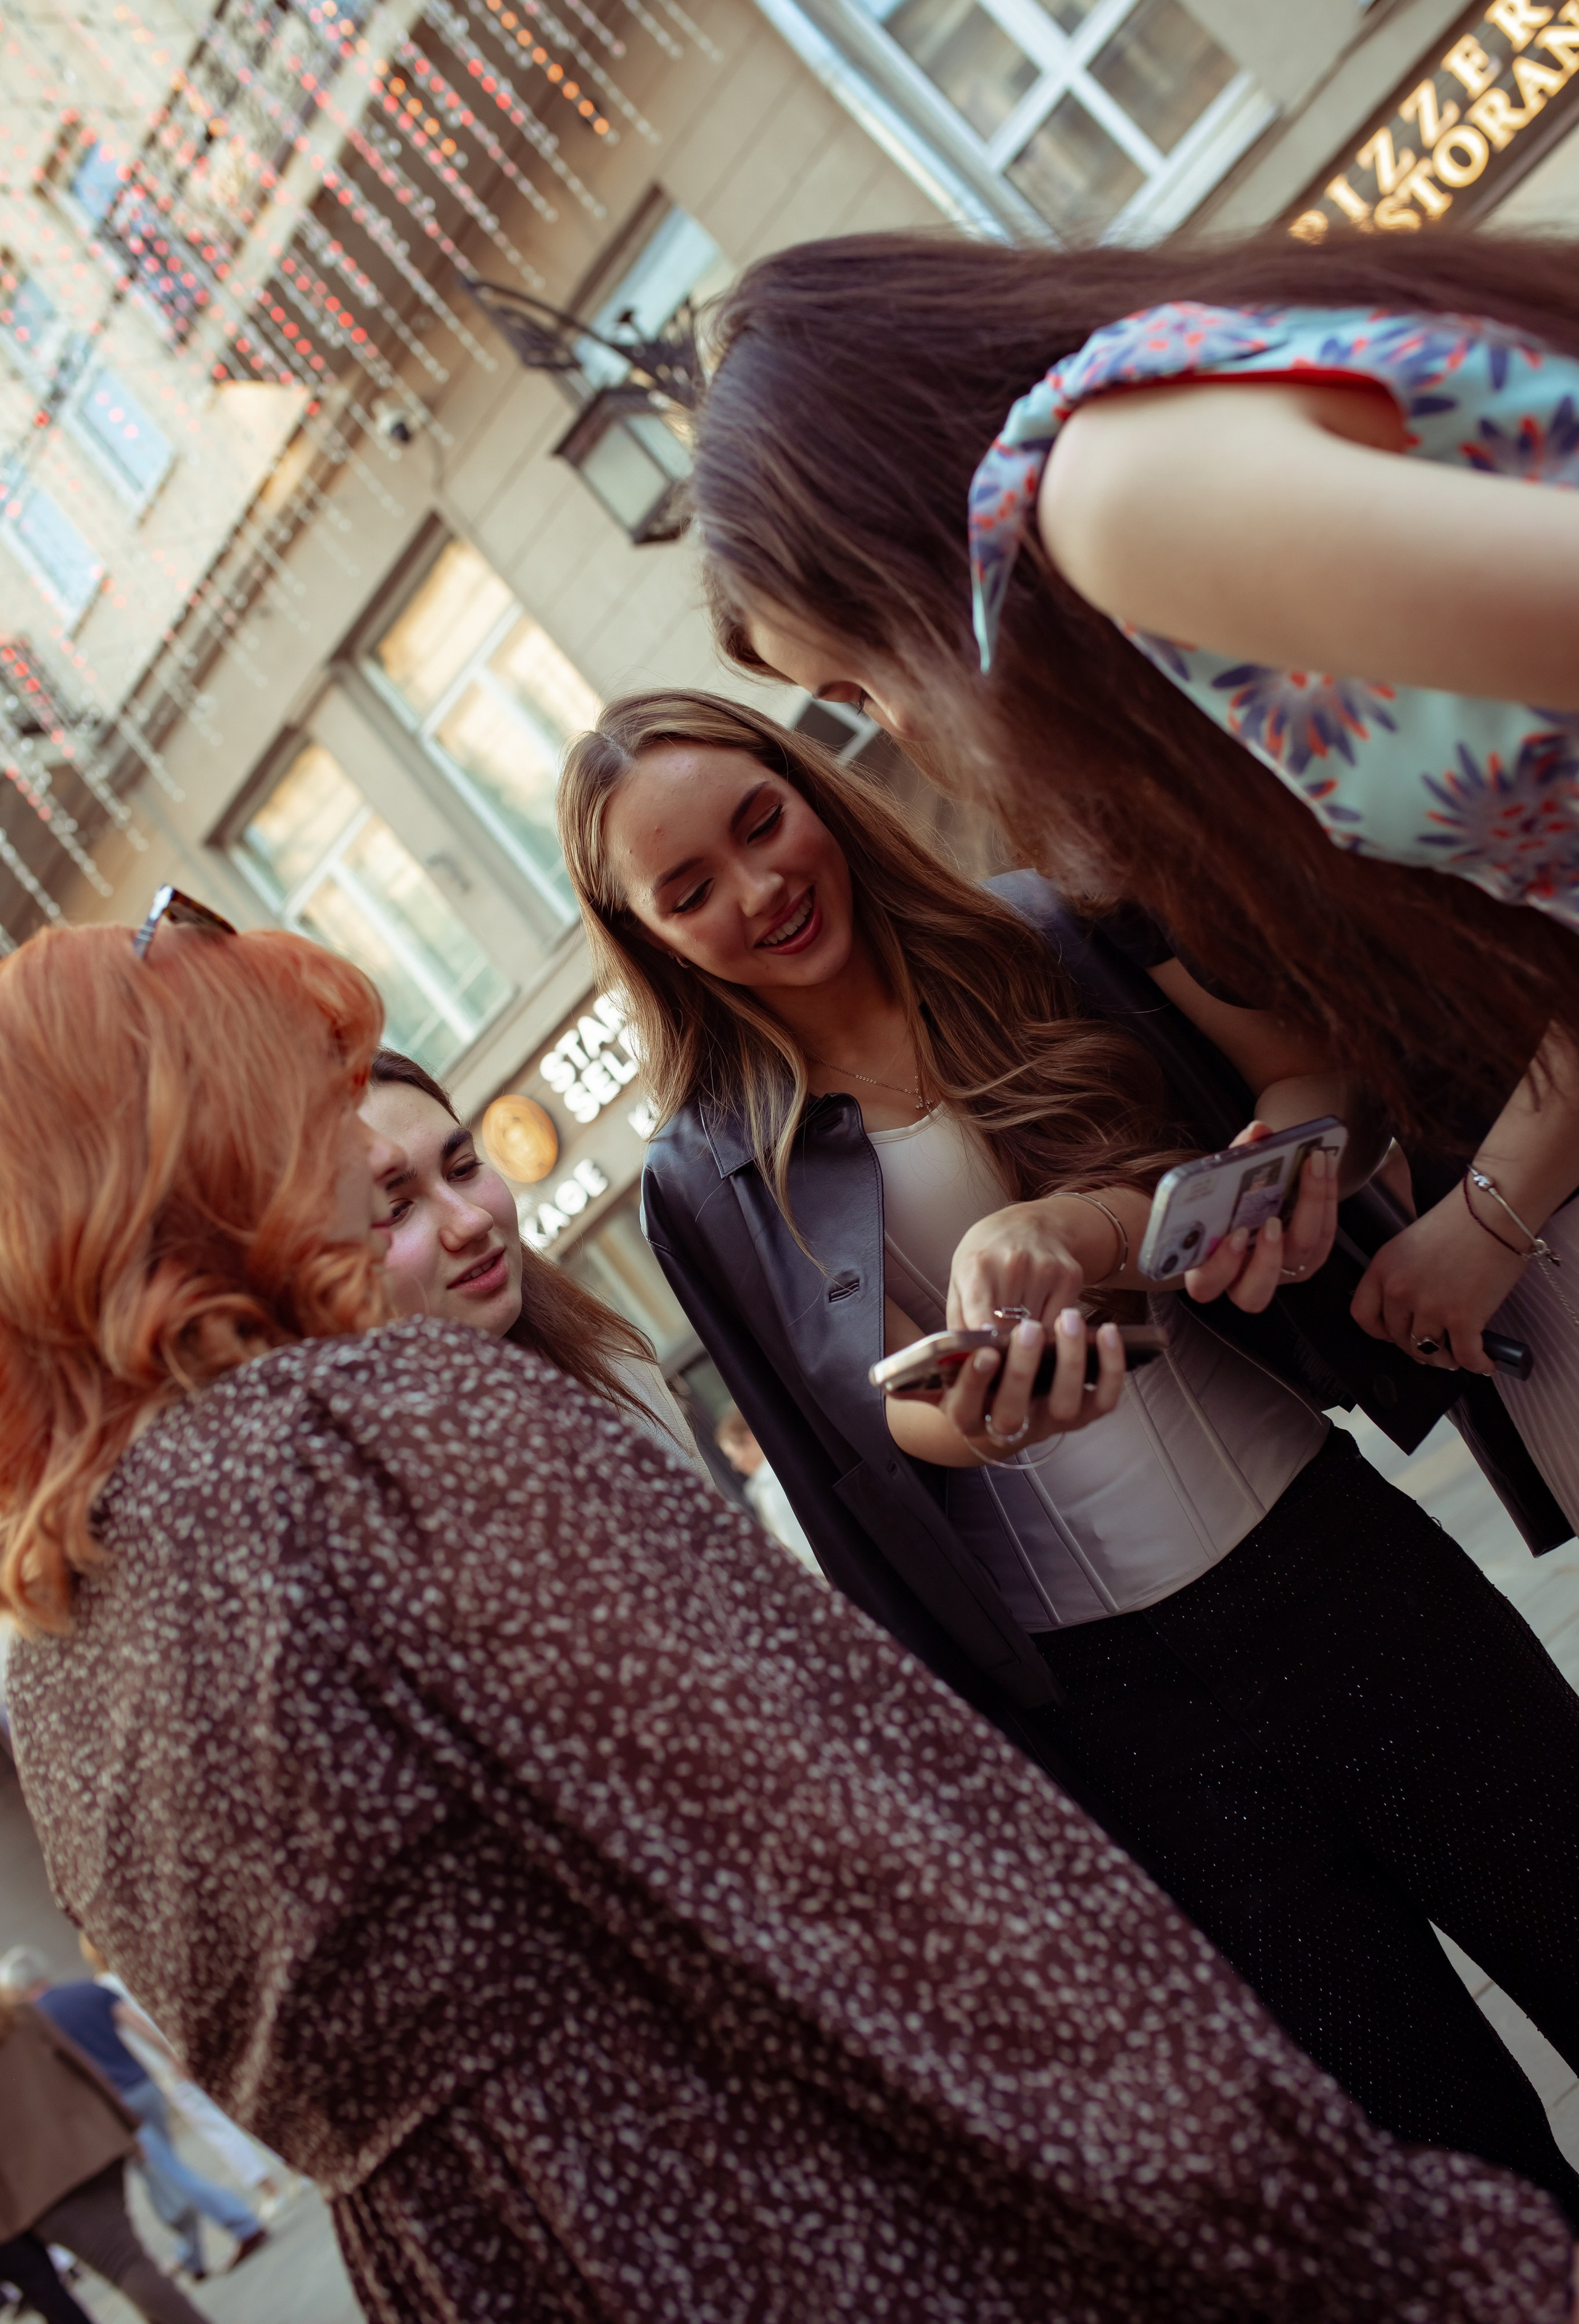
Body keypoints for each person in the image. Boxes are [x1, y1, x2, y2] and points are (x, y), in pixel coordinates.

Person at [2, 922, 1575, 2321]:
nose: (348, 1156)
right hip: (803, 2211)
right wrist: (1364, 2234)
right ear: (192, 1156)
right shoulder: (375, 1427)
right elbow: (887, 1875)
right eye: (299, 1097)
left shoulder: (58, 1638)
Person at [559, 685, 1579, 2219]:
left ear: (811, 791)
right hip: (1126, 1719)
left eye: (758, 822)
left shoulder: (1035, 931)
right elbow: (850, 1455)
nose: (755, 891)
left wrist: (1168, 1206)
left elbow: (1304, 1086)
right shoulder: (696, 1175)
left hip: (1337, 1562)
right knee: (1435, 2170)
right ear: (643, 935)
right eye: (687, 889)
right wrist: (967, 1412)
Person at [686, 227, 1579, 1504]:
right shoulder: (1137, 447)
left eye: (850, 674)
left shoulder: (1114, 502)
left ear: (883, 546)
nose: (886, 717)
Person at [361, 1046, 700, 1466]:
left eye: (463, 1168)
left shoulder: (608, 1363)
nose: (471, 1220)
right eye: (396, 1210)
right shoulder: (359, 1498)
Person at [0, 1951, 266, 2281]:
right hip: (145, 2089)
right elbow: (135, 2022)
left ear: (20, 1986)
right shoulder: (88, 1990)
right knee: (164, 2174)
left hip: (112, 2104)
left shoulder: (33, 2020)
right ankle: (192, 2257)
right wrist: (172, 2054)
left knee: (170, 2172)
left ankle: (243, 2224)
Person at [0, 1983, 206, 2324]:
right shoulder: (19, 2014)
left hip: (38, 2188)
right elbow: (83, 2067)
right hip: (92, 2148)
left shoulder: (22, 2014)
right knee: (128, 2259)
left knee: (126, 2264)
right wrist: (126, 2126)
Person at [715, 1407, 820, 1573]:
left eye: (734, 1455)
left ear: (750, 1439)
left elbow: (802, 1553)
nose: (735, 1466)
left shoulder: (771, 1489)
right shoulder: (783, 1472)